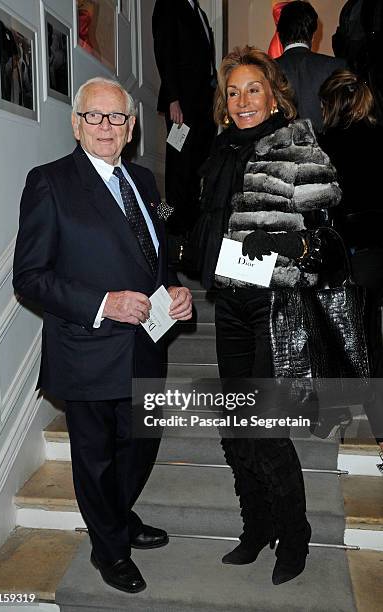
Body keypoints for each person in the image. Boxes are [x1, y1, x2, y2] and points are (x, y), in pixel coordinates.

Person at [12, 77, 192, 594]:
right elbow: (30, 276)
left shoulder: (143, 181)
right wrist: (103, 303)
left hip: (146, 343)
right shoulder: (49, 182)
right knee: (96, 460)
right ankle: (108, 550)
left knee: (141, 446)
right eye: (96, 116)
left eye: (118, 118)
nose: (107, 127)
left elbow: (153, 259)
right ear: (76, 123)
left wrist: (173, 291)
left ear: (132, 127)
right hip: (87, 351)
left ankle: (117, 517)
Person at [195, 45, 343, 585]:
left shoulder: (299, 145)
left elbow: (328, 244)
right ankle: (256, 527)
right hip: (230, 304)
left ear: (274, 93)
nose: (242, 100)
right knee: (235, 426)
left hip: (275, 306)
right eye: (232, 92)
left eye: (252, 89)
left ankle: (294, 535)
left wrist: (284, 240)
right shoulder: (220, 151)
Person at [319, 69, 383, 452]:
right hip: (378, 252)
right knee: (372, 340)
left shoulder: (327, 144)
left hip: (349, 253)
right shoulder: (380, 137)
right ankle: (378, 429)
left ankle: (340, 416)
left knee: (343, 337)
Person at [152, 0, 217, 242]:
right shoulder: (169, 4)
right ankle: (169, 228)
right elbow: (164, 50)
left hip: (204, 106)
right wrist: (173, 98)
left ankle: (191, 228)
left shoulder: (198, 11)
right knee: (178, 167)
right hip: (182, 105)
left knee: (196, 168)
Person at [275, 0, 346, 133]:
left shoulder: (264, 71)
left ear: (279, 35)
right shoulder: (337, 67)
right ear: (313, 35)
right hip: (329, 151)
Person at [332, 0, 383, 125]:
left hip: (362, 77)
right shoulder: (351, 7)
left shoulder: (350, 7)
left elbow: (341, 47)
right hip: (365, 77)